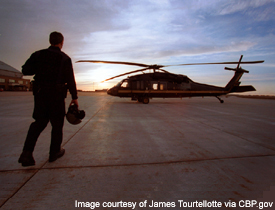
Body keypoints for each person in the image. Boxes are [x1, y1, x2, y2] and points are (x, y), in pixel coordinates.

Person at [18, 31, 78, 167]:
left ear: (50, 41)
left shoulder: (38, 54)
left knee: (39, 122)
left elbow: (25, 70)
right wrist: (74, 97)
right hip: (56, 96)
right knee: (57, 124)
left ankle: (26, 153)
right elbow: (70, 80)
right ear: (62, 42)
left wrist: (40, 67)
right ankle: (54, 152)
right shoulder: (65, 58)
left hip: (40, 94)